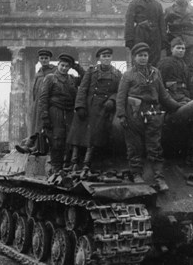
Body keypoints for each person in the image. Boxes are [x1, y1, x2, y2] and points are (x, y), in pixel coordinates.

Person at [116, 42, 181, 191]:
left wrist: (176, 106)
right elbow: (121, 96)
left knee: (155, 147)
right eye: (140, 56)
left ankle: (159, 177)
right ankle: (137, 174)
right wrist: (121, 115)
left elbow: (163, 94)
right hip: (134, 113)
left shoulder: (155, 72)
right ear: (134, 57)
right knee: (134, 146)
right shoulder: (128, 75)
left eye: (145, 55)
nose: (143, 58)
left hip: (153, 113)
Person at [68, 47, 122, 169]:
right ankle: (74, 161)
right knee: (77, 134)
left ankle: (87, 162)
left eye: (108, 56)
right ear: (99, 58)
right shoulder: (91, 72)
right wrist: (80, 106)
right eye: (104, 56)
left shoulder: (117, 74)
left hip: (103, 108)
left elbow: (119, 91)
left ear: (111, 58)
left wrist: (112, 100)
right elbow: (82, 89)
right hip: (88, 105)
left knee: (94, 136)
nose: (106, 59)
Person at [158, 37, 193, 154]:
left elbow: (190, 85)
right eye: (178, 48)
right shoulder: (165, 63)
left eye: (183, 48)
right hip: (171, 96)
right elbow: (160, 84)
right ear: (172, 49)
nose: (181, 51)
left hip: (183, 95)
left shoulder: (184, 65)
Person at [38, 53, 79, 182]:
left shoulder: (71, 79)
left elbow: (84, 79)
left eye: (67, 66)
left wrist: (76, 66)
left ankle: (67, 167)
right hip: (55, 111)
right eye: (62, 65)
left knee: (70, 139)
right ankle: (56, 168)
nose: (64, 68)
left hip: (69, 112)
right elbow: (43, 97)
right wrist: (45, 116)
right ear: (58, 65)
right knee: (56, 140)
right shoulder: (50, 78)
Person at [15, 49, 56, 153]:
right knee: (36, 125)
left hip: (48, 103)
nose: (44, 60)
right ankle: (33, 146)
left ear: (49, 59)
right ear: (39, 59)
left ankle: (35, 147)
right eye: (42, 58)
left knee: (44, 125)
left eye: (46, 58)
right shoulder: (38, 73)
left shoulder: (54, 71)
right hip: (38, 103)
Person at [124, 0, 166, 67]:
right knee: (139, 59)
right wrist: (129, 39)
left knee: (155, 63)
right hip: (140, 35)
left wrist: (164, 40)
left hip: (155, 37)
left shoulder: (158, 5)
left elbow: (162, 24)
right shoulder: (134, 4)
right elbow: (129, 22)